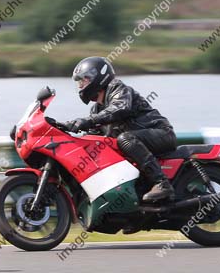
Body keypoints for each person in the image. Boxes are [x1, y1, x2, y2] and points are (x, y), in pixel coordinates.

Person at [61, 57, 177, 202]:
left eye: (83, 81)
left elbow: (119, 108)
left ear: (97, 78)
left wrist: (86, 121)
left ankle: (162, 183)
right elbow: (93, 137)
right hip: (138, 142)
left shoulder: (118, 88)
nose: (80, 86)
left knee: (125, 138)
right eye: (79, 82)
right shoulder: (97, 109)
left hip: (161, 133)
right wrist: (66, 133)